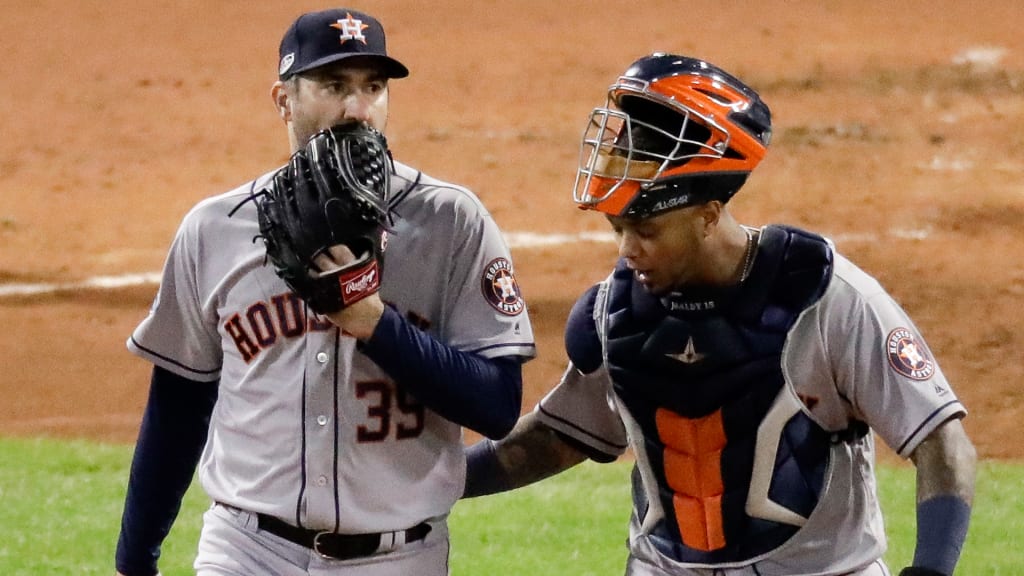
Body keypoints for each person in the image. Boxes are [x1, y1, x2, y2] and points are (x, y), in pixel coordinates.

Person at [463, 53, 976, 576]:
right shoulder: (615, 314)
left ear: (709, 215)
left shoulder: (828, 300)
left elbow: (942, 443)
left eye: (646, 231)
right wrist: (431, 480)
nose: (627, 252)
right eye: (618, 229)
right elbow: (557, 437)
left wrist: (931, 571)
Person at [114, 8, 535, 576]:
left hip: (399, 557)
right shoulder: (215, 229)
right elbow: (178, 405)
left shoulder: (452, 223)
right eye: (334, 86)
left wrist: (375, 324)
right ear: (284, 100)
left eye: (373, 87)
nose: (357, 109)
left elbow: (497, 405)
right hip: (246, 552)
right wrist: (134, 560)